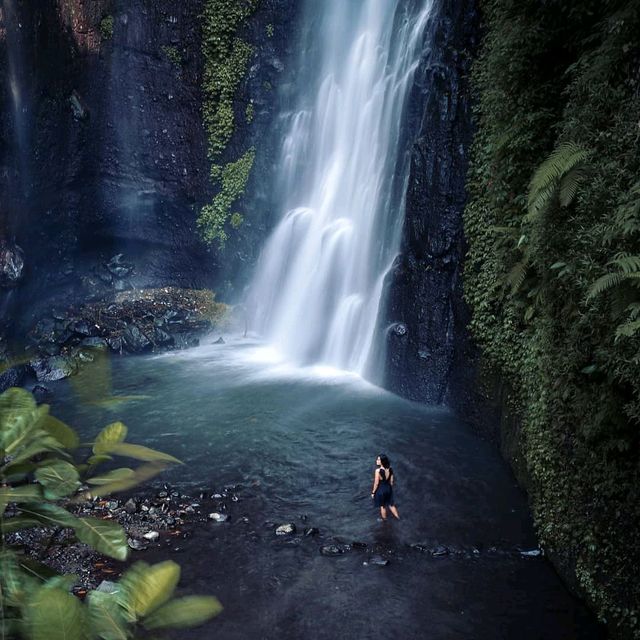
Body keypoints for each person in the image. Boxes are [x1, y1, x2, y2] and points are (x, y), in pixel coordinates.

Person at [371, 454, 400, 521]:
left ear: (382, 461)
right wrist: (389, 488)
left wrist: (373, 492)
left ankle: (384, 520)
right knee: (391, 505)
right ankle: (398, 518)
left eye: (378, 459)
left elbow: (376, 483)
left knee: (383, 506)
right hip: (388, 488)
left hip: (381, 490)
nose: (376, 461)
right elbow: (391, 481)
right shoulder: (390, 469)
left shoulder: (378, 471)